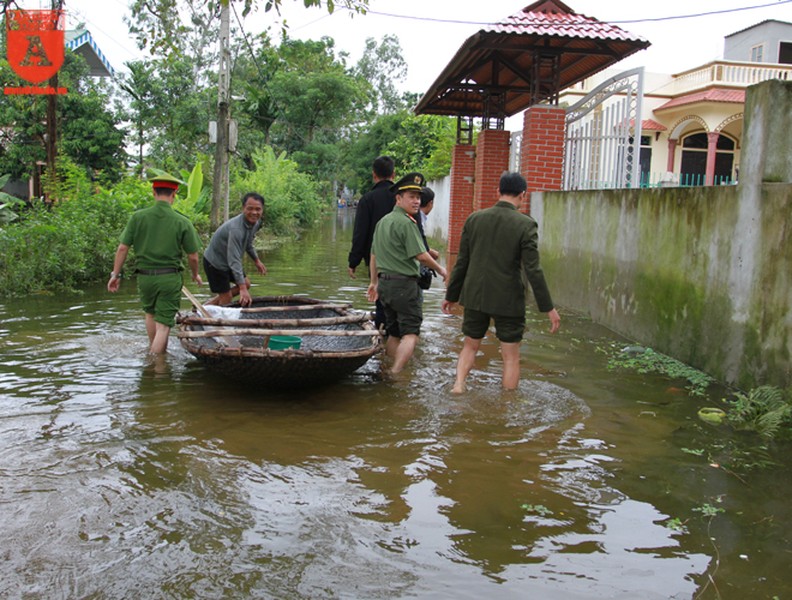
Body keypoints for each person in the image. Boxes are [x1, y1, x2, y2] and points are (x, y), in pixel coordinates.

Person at [441, 171, 561, 393]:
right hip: (508, 299)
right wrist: (549, 307)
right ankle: (507, 405)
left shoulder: (474, 219)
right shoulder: (526, 225)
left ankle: (458, 384)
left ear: (498, 191)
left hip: (475, 295)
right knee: (510, 356)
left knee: (470, 344)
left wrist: (451, 295)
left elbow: (462, 263)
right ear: (523, 195)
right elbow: (533, 269)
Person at [107, 171, 203, 355]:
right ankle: (156, 365)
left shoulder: (138, 217)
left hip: (144, 278)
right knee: (164, 324)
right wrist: (194, 274)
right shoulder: (182, 221)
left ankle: (154, 354)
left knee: (150, 314)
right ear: (174, 194)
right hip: (169, 278)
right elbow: (193, 256)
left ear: (154, 192)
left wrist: (115, 275)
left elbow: (122, 248)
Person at [367, 172, 447, 375]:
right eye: (411, 196)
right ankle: (396, 372)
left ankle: (388, 370)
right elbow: (421, 255)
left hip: (385, 286)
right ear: (398, 198)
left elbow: (374, 255)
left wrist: (374, 283)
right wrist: (441, 270)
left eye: (418, 197)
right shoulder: (407, 223)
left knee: (393, 333)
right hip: (404, 285)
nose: (416, 201)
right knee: (411, 334)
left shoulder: (383, 222)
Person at [348, 155, 396, 328]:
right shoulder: (403, 198)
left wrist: (353, 261)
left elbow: (360, 233)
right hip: (405, 262)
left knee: (381, 301)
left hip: (377, 261)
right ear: (394, 174)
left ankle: (382, 335)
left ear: (374, 175)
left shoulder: (367, 199)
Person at [203, 192, 267, 307]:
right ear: (243, 208)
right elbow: (234, 258)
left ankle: (207, 306)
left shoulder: (256, 223)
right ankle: (221, 322)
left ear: (262, 210)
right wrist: (242, 289)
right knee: (227, 297)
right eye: (250, 209)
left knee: (246, 283)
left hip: (228, 262)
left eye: (258, 209)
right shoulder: (236, 229)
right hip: (215, 263)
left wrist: (256, 260)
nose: (254, 213)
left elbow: (248, 244)